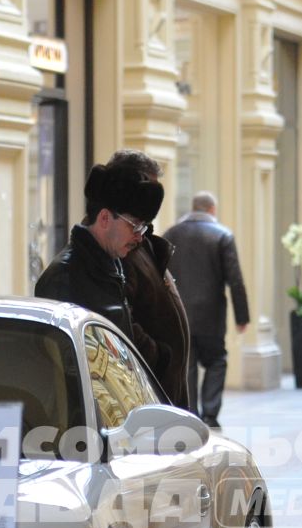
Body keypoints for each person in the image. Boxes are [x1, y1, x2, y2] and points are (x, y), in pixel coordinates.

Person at [34, 157, 163, 363]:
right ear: (104, 218)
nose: (139, 237)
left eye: (143, 228)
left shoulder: (112, 264)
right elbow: (62, 363)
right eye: (135, 226)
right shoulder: (64, 278)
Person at [101, 150, 193, 412]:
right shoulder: (121, 246)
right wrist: (160, 358)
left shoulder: (141, 240)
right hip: (148, 399)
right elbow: (122, 320)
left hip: (166, 395)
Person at [162, 192, 250, 426]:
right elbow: (236, 280)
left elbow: (160, 275)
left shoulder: (171, 234)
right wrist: (243, 316)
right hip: (211, 314)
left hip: (180, 312)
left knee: (187, 363)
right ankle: (210, 414)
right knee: (216, 361)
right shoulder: (222, 235)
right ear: (212, 210)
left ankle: (191, 413)